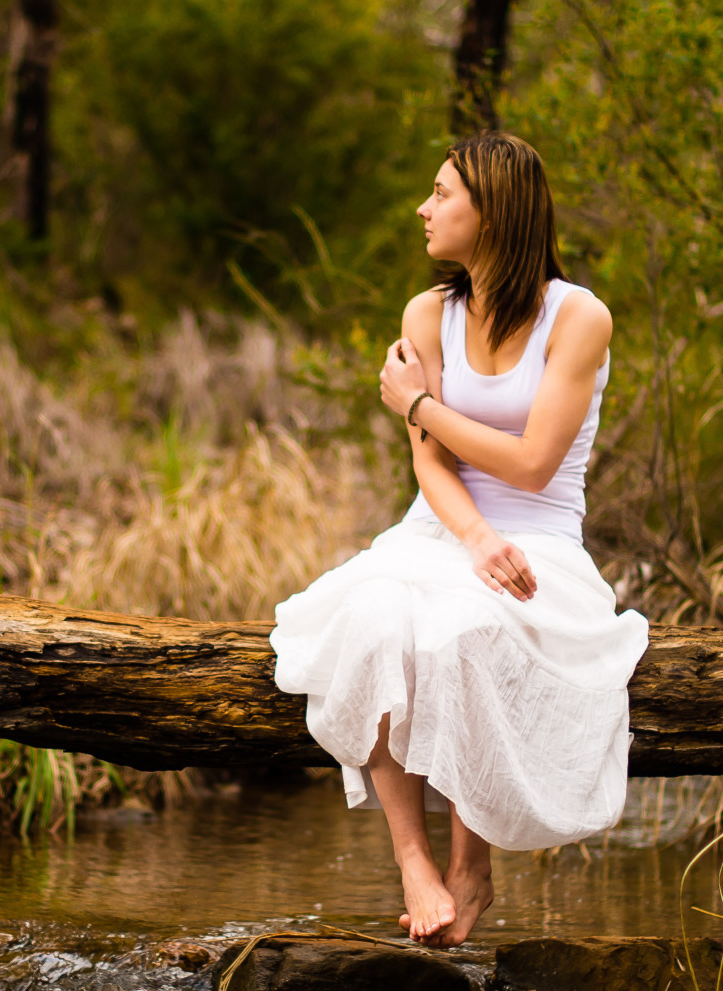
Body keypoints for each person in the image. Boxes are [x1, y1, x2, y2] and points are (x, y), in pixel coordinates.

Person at [271, 131, 650, 948]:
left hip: (540, 537)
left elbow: (532, 462)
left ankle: (471, 863)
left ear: (493, 210)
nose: (424, 208)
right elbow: (431, 465)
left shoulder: (578, 316)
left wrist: (417, 404)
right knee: (373, 617)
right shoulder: (427, 313)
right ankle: (412, 858)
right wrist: (471, 536)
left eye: (442, 193)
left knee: (468, 631)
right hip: (441, 528)